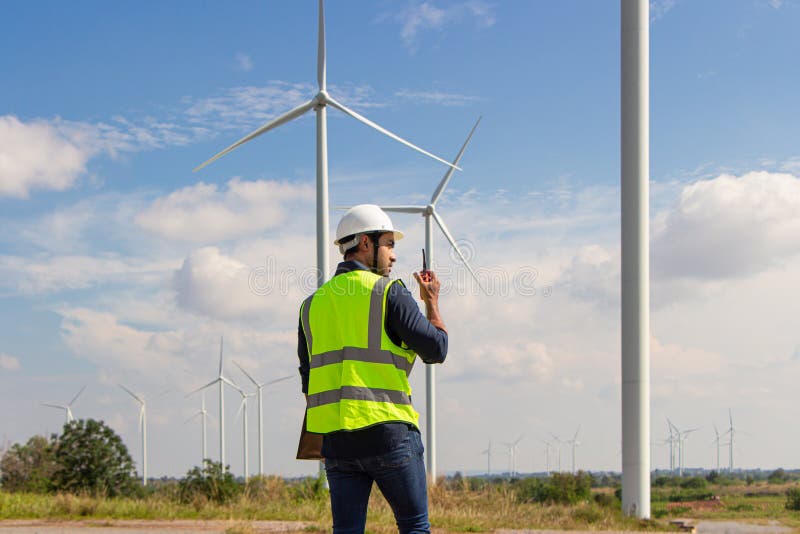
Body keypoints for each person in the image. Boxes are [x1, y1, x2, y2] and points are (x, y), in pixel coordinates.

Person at [297, 204, 448, 534]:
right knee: (414, 527)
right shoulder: (388, 292)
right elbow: (436, 349)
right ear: (365, 242)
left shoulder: (311, 305)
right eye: (390, 245)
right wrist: (432, 302)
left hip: (336, 442)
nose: (393, 256)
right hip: (388, 433)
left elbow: (308, 377)